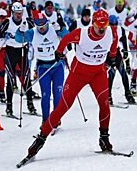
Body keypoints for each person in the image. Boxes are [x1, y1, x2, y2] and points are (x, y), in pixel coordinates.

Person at [23, 9, 118, 159]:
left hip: (98, 73)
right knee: (63, 106)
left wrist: (112, 57)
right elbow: (66, 39)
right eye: (99, 25)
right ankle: (41, 139)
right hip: (78, 73)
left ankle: (104, 138)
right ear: (93, 23)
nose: (101, 29)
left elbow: (114, 45)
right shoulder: (82, 33)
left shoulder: (111, 32)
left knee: (104, 103)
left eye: (104, 25)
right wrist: (59, 52)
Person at [15, 13, 69, 124]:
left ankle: (56, 119)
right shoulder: (32, 32)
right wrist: (20, 31)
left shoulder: (53, 29)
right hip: (43, 67)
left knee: (57, 94)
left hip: (57, 66)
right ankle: (45, 120)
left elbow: (67, 37)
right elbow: (18, 39)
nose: (42, 28)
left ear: (46, 22)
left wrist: (61, 28)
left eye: (43, 25)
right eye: (39, 26)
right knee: (45, 95)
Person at [0, 2, 37, 116]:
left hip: (22, 51)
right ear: (12, 12)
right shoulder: (8, 22)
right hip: (10, 51)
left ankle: (30, 105)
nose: (18, 15)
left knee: (26, 77)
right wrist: (6, 34)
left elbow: (37, 31)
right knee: (11, 79)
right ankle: (9, 107)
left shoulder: (27, 21)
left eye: (20, 13)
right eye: (16, 13)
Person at [107, 15, 135, 105]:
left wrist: (126, 53)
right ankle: (108, 96)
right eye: (112, 24)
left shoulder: (120, 29)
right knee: (111, 74)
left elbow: (124, 42)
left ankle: (128, 94)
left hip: (117, 52)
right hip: (107, 54)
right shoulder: (104, 30)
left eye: (115, 24)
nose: (114, 26)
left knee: (123, 73)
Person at [108, 0, 130, 74]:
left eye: (121, 5)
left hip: (123, 31)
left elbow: (132, 18)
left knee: (125, 48)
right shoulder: (110, 11)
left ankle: (127, 64)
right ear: (116, 4)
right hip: (113, 32)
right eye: (118, 5)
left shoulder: (127, 11)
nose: (120, 7)